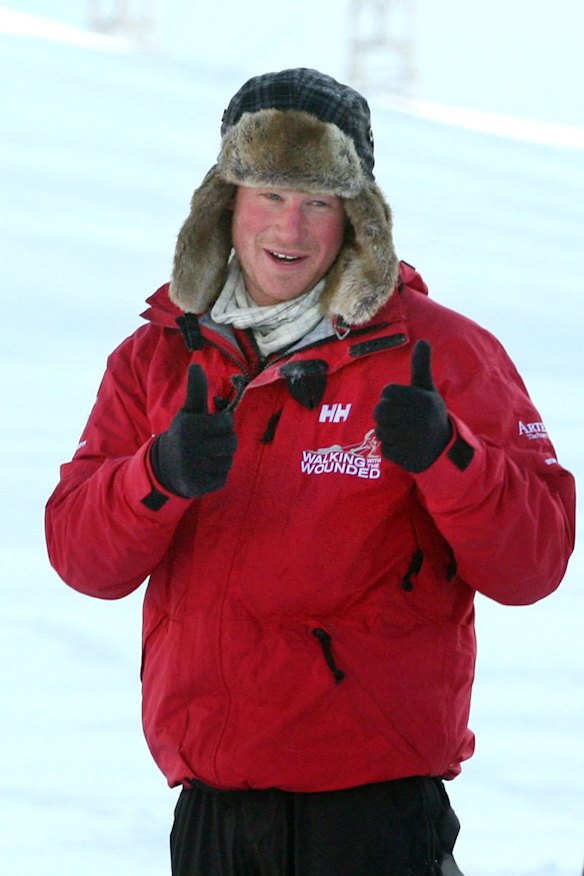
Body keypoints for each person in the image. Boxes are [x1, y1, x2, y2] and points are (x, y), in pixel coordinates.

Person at [45, 68, 576, 875]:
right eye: (269, 194)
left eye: (318, 200)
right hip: (212, 814)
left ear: (356, 216)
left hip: (372, 818)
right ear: (226, 202)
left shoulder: (442, 352)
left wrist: (448, 454)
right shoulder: (155, 357)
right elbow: (83, 559)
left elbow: (533, 564)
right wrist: (160, 474)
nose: (289, 226)